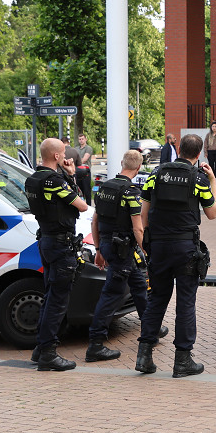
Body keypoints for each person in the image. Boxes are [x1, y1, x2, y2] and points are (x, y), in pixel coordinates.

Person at [136, 133, 216, 377]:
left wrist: (145, 243)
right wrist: (212, 180)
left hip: (158, 247)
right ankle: (182, 361)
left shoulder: (155, 175)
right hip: (184, 249)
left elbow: (144, 212)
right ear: (198, 154)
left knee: (156, 300)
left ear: (179, 149)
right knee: (185, 302)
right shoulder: (199, 178)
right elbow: (212, 213)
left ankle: (144, 356)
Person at [87, 150, 168, 362]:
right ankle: (95, 344)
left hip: (107, 246)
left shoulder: (104, 186)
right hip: (121, 250)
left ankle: (151, 329)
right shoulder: (131, 192)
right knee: (111, 295)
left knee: (140, 286)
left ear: (122, 163)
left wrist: (98, 250)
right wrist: (148, 253)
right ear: (139, 167)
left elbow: (94, 222)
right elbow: (137, 229)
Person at [24, 137, 88, 371]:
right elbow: (82, 205)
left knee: (50, 294)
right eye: (63, 153)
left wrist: (69, 176)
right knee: (58, 300)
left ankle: (41, 348)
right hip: (60, 244)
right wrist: (70, 177)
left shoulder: (33, 179)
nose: (66, 156)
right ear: (56, 157)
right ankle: (48, 352)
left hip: (47, 241)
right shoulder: (54, 181)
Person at [75, 133, 94, 201]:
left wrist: (76, 163)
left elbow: (85, 159)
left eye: (82, 139)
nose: (81, 140)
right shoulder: (76, 148)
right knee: (79, 190)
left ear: (85, 139)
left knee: (87, 190)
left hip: (86, 171)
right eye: (80, 139)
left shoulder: (88, 148)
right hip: (78, 171)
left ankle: (89, 206)